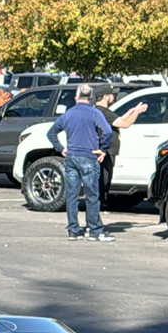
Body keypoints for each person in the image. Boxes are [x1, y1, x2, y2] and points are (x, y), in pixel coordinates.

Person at [46, 84, 113, 242]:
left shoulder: (68, 114)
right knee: (92, 196)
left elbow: (51, 133)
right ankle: (94, 229)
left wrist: (60, 148)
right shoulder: (94, 113)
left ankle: (74, 230)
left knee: (72, 195)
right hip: (89, 156)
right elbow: (108, 131)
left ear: (76, 97)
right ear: (90, 97)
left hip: (71, 157)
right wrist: (103, 149)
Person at [95, 87, 147, 201]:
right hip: (105, 152)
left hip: (106, 151)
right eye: (112, 95)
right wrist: (138, 112)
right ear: (105, 96)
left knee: (103, 181)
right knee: (103, 182)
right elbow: (125, 124)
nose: (114, 97)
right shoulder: (103, 112)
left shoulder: (100, 111)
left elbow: (119, 120)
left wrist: (132, 111)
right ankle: (96, 210)